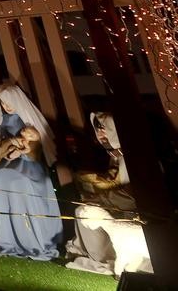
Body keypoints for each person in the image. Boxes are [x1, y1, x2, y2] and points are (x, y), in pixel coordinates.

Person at [0, 82, 62, 260]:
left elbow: (38, 141)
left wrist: (24, 148)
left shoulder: (27, 117)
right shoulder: (0, 119)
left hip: (29, 162)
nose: (6, 107)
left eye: (9, 102)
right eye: (3, 103)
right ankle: (5, 235)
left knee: (19, 182)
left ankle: (31, 237)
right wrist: (8, 147)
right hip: (9, 160)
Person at [66, 111, 140, 275]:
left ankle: (102, 256)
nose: (100, 133)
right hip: (118, 200)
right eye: (97, 129)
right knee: (83, 207)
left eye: (104, 129)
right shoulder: (115, 154)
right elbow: (113, 179)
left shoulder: (132, 155)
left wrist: (99, 197)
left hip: (133, 205)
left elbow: (131, 191)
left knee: (86, 210)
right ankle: (97, 253)